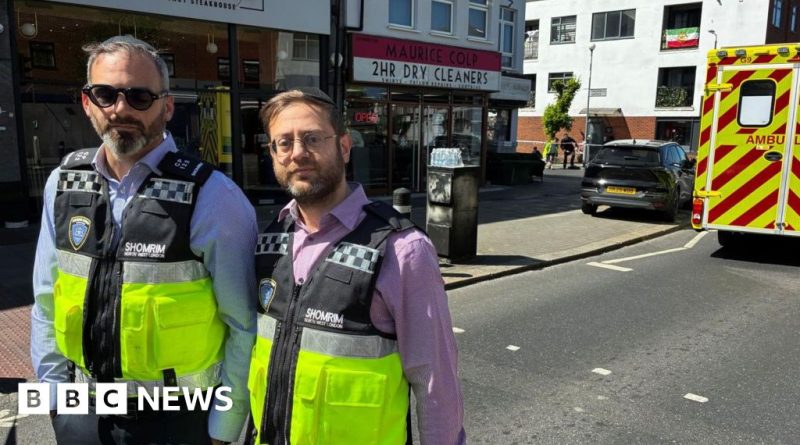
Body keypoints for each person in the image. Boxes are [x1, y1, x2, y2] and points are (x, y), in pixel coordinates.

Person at [31, 35, 257, 445]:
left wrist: (224, 428)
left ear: (166, 106)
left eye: (139, 96)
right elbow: (46, 299)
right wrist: (53, 398)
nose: (120, 109)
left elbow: (243, 327)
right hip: (83, 413)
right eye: (105, 94)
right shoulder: (62, 184)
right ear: (87, 103)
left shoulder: (214, 197)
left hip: (178, 422)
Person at [249, 88, 466, 445]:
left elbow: (435, 382)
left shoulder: (402, 250)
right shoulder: (270, 240)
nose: (297, 153)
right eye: (283, 143)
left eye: (312, 138)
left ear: (345, 147)